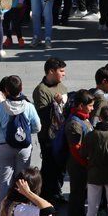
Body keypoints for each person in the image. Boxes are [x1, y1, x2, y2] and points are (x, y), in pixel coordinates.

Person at [0, 75, 41, 197]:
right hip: (24, 147)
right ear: (21, 88)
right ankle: (20, 209)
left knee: (5, 180)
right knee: (22, 180)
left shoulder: (0, 107)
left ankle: (5, 211)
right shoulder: (29, 106)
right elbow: (37, 127)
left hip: (4, 146)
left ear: (6, 90)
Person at [32, 57, 67, 202]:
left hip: (62, 134)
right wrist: (56, 103)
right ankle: (47, 197)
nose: (64, 74)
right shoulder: (41, 91)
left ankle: (57, 192)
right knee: (49, 168)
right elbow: (44, 116)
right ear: (51, 72)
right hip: (48, 137)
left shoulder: (61, 86)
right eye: (61, 71)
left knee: (60, 168)